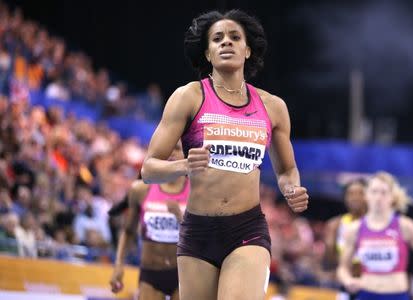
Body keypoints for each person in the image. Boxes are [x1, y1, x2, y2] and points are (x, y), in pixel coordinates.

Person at [140, 9, 309, 300]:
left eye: (234, 37)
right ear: (207, 53)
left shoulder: (272, 107)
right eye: (217, 39)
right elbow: (149, 169)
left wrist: (290, 187)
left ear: (247, 50)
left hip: (247, 229)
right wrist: (183, 165)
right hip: (198, 231)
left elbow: (285, 170)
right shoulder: (188, 97)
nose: (226, 42)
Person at [337, 172, 413, 300]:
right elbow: (342, 267)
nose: (378, 197)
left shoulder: (406, 226)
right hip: (366, 294)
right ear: (366, 195)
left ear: (392, 197)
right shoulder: (354, 229)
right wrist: (347, 280)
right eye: (374, 191)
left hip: (397, 294)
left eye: (383, 192)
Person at [110, 141, 189, 300]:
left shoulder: (195, 191)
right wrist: (119, 265)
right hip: (151, 274)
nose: (172, 154)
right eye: (167, 148)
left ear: (185, 154)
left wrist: (180, 218)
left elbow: (203, 238)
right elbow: (128, 231)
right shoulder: (140, 189)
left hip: (184, 274)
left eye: (177, 149)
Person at [324, 179, 367, 276]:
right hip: (344, 281)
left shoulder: (376, 225)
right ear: (345, 198)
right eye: (351, 194)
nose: (355, 198)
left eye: (361, 193)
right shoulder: (335, 225)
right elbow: (329, 263)